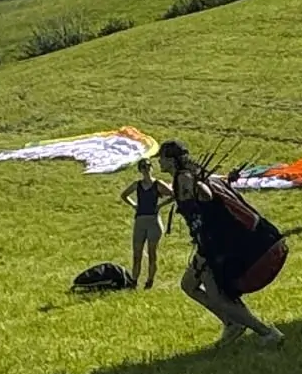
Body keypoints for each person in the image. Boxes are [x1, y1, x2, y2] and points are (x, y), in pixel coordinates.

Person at [156, 140, 286, 347]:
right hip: (211, 242)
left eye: (161, 158)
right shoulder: (191, 175)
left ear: (171, 160)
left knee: (218, 296)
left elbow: (205, 196)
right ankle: (231, 323)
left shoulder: (185, 178)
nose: (159, 162)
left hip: (219, 244)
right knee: (189, 284)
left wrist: (195, 196)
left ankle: (266, 332)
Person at [118, 158, 172, 289]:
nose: (146, 169)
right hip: (140, 221)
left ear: (151, 168)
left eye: (148, 166)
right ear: (140, 170)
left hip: (153, 221)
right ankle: (134, 281)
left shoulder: (158, 184)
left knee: (152, 254)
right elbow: (124, 195)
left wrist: (160, 205)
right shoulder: (137, 185)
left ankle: (149, 281)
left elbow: (173, 195)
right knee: (137, 254)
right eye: (143, 167)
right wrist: (134, 205)